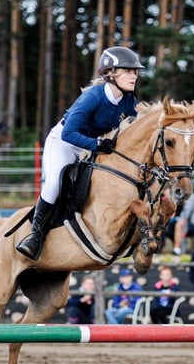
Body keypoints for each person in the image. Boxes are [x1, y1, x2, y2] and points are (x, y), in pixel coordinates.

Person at [16, 46, 145, 261]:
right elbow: (69, 133)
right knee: (54, 183)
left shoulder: (129, 101)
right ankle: (35, 235)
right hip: (64, 143)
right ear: (110, 73)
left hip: (94, 146)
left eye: (136, 72)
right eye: (129, 70)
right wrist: (96, 144)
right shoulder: (92, 98)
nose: (135, 76)